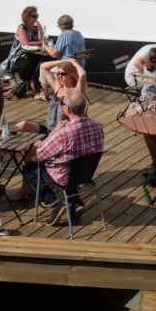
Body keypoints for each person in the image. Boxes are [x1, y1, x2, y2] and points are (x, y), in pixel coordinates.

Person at [9, 89, 104, 226]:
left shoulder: (64, 133)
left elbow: (41, 153)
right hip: (86, 173)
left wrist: (54, 132)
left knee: (30, 169)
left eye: (63, 103)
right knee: (69, 164)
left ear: (68, 110)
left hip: (64, 175)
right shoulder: (98, 126)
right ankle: (74, 201)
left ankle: (54, 203)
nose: (61, 105)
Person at [17, 60, 87, 137]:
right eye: (59, 73)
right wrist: (63, 61)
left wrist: (74, 64)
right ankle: (2, 138)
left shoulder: (76, 92)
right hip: (48, 128)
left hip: (61, 133)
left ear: (72, 74)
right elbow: (43, 67)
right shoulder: (58, 86)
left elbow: (82, 74)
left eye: (63, 74)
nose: (60, 76)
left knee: (32, 147)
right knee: (23, 125)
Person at [0, 5, 47, 94]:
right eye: (35, 16)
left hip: (33, 52)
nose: (37, 18)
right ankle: (27, 84)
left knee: (42, 60)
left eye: (37, 16)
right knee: (26, 64)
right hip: (19, 54)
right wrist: (41, 43)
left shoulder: (35, 27)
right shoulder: (22, 28)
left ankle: (37, 82)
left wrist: (40, 27)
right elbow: (25, 43)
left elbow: (40, 40)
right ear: (27, 17)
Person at [36, 15, 86, 98]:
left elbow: (54, 54)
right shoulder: (78, 34)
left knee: (43, 68)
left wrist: (46, 47)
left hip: (67, 67)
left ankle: (44, 93)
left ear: (60, 26)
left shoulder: (63, 35)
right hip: (79, 67)